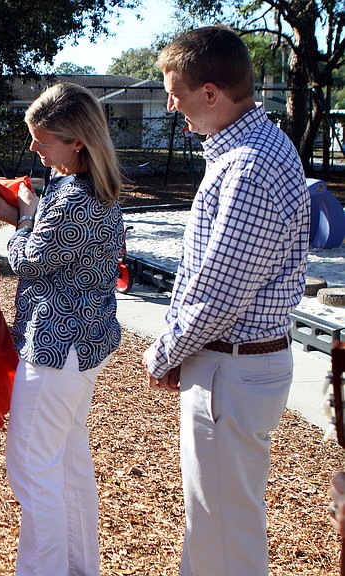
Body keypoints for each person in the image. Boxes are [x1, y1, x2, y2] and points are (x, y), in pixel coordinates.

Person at [142, 26, 310, 575]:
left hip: (231, 369)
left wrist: (163, 352)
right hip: (233, 365)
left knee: (222, 532)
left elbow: (218, 292)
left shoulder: (248, 168)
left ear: (211, 93)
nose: (172, 106)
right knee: (219, 522)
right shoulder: (253, 151)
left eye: (177, 93)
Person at [0, 82, 124, 575]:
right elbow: (53, 246)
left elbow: (28, 259)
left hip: (55, 346)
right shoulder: (92, 188)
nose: (34, 147)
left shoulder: (71, 198)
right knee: (67, 467)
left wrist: (23, 219)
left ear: (77, 142)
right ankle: (77, 567)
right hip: (83, 345)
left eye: (42, 139)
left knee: (31, 469)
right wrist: (26, 216)